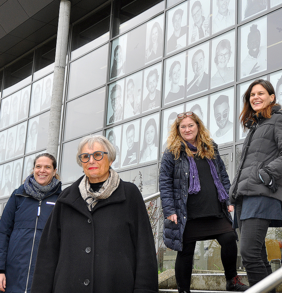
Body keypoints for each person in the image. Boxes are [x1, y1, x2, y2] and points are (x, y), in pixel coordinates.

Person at [31, 135, 158, 292]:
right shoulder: (66, 198)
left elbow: (144, 249)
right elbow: (48, 252)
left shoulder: (130, 194)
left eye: (98, 155)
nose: (91, 161)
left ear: (110, 159)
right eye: (85, 157)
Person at [160, 111, 249, 292]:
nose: (187, 129)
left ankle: (231, 280)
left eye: (190, 125)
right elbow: (165, 182)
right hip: (187, 212)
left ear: (198, 126)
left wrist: (229, 198)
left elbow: (222, 175)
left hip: (214, 208)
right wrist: (169, 210)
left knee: (229, 237)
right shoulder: (172, 152)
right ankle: (183, 289)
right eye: (183, 127)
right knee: (186, 252)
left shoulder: (210, 147)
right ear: (177, 130)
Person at [229, 79, 282, 288]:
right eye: (252, 95)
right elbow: (246, 164)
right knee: (256, 253)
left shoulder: (279, 119)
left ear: (272, 97)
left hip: (262, 193)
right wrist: (234, 192)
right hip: (246, 195)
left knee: (249, 252)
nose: (256, 97)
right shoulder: (255, 125)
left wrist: (266, 174)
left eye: (261, 93)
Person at [0, 153, 61, 293]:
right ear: (33, 169)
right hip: (14, 273)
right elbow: (3, 232)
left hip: (45, 274)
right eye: (38, 166)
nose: (42, 170)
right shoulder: (18, 195)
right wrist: (0, 269)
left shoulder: (60, 199)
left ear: (54, 171)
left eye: (47, 167)